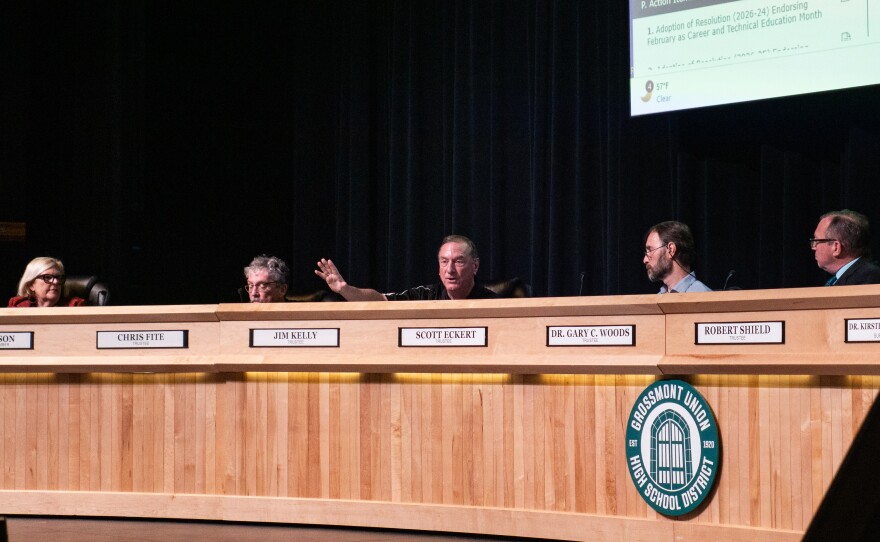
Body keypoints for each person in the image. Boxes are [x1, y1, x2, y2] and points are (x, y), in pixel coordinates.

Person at [315, 235, 498, 301]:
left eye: (458, 261)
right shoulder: (424, 295)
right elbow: (379, 300)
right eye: (444, 261)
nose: (450, 269)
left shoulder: (495, 304)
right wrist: (345, 289)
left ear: (475, 266)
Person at [811, 209, 880, 286]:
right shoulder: (853, 276)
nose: (813, 247)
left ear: (836, 247)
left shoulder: (867, 278)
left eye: (817, 241)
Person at [643, 221, 712, 293]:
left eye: (650, 250)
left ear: (671, 250)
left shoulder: (704, 297)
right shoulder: (657, 299)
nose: (645, 260)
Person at [8, 257, 85, 307]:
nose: (56, 281)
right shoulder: (18, 306)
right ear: (30, 285)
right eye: (47, 277)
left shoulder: (75, 306)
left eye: (58, 277)